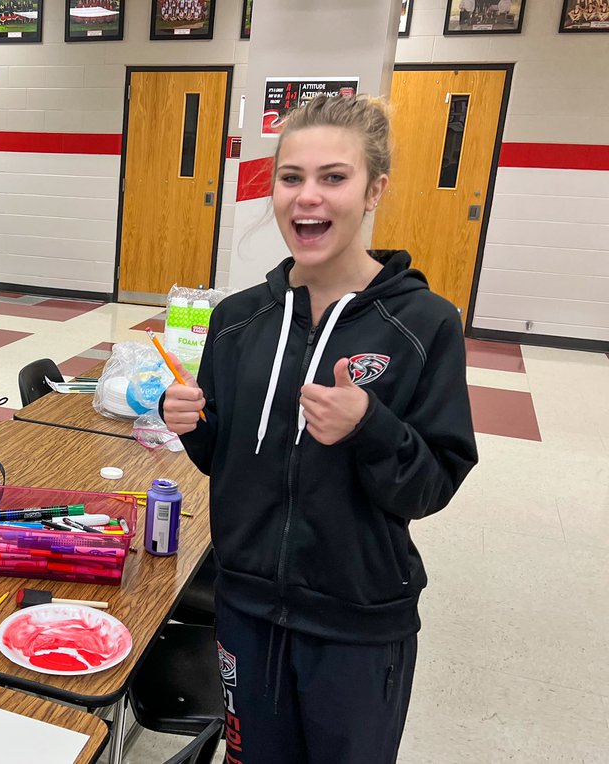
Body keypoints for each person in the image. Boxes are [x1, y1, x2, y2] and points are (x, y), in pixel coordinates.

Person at [161, 94, 477, 763]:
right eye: (291, 177)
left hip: (357, 624)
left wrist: (370, 426)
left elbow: (433, 485)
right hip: (245, 609)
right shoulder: (238, 320)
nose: (308, 196)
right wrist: (189, 422)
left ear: (374, 190)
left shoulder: (424, 325)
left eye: (334, 177)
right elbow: (223, 459)